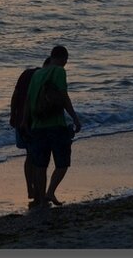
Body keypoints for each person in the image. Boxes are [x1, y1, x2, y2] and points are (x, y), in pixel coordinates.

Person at [24, 44, 82, 209]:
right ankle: (50, 191)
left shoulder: (37, 74)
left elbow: (28, 101)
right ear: (63, 59)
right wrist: (75, 118)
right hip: (55, 125)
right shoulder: (59, 71)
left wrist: (24, 122)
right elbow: (63, 97)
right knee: (62, 163)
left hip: (37, 126)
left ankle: (42, 200)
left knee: (40, 165)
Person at [9, 57, 50, 203]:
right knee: (37, 157)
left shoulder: (26, 74)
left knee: (30, 155)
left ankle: (31, 189)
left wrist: (12, 115)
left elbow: (15, 96)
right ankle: (39, 191)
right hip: (35, 123)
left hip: (20, 120)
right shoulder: (45, 78)